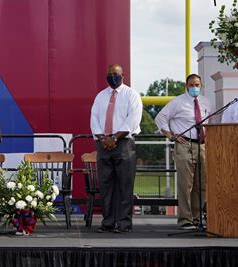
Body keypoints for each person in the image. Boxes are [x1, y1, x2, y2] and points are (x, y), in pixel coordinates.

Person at [155, 74, 214, 230]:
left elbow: (211, 122)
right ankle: (185, 220)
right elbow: (160, 118)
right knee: (185, 184)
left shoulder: (206, 102)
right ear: (186, 86)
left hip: (202, 145)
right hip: (185, 145)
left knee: (201, 184)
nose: (195, 87)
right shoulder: (178, 102)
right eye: (191, 85)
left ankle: (197, 218)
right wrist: (171, 136)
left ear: (201, 86)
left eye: (197, 85)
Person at [90, 64, 143, 233]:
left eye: (116, 74)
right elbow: (94, 119)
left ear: (123, 76)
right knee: (106, 186)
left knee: (124, 185)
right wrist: (102, 138)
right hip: (103, 143)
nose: (113, 76)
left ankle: (124, 223)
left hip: (123, 144)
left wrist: (114, 138)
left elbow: (132, 120)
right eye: (110, 74)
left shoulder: (131, 95)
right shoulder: (100, 96)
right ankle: (108, 222)